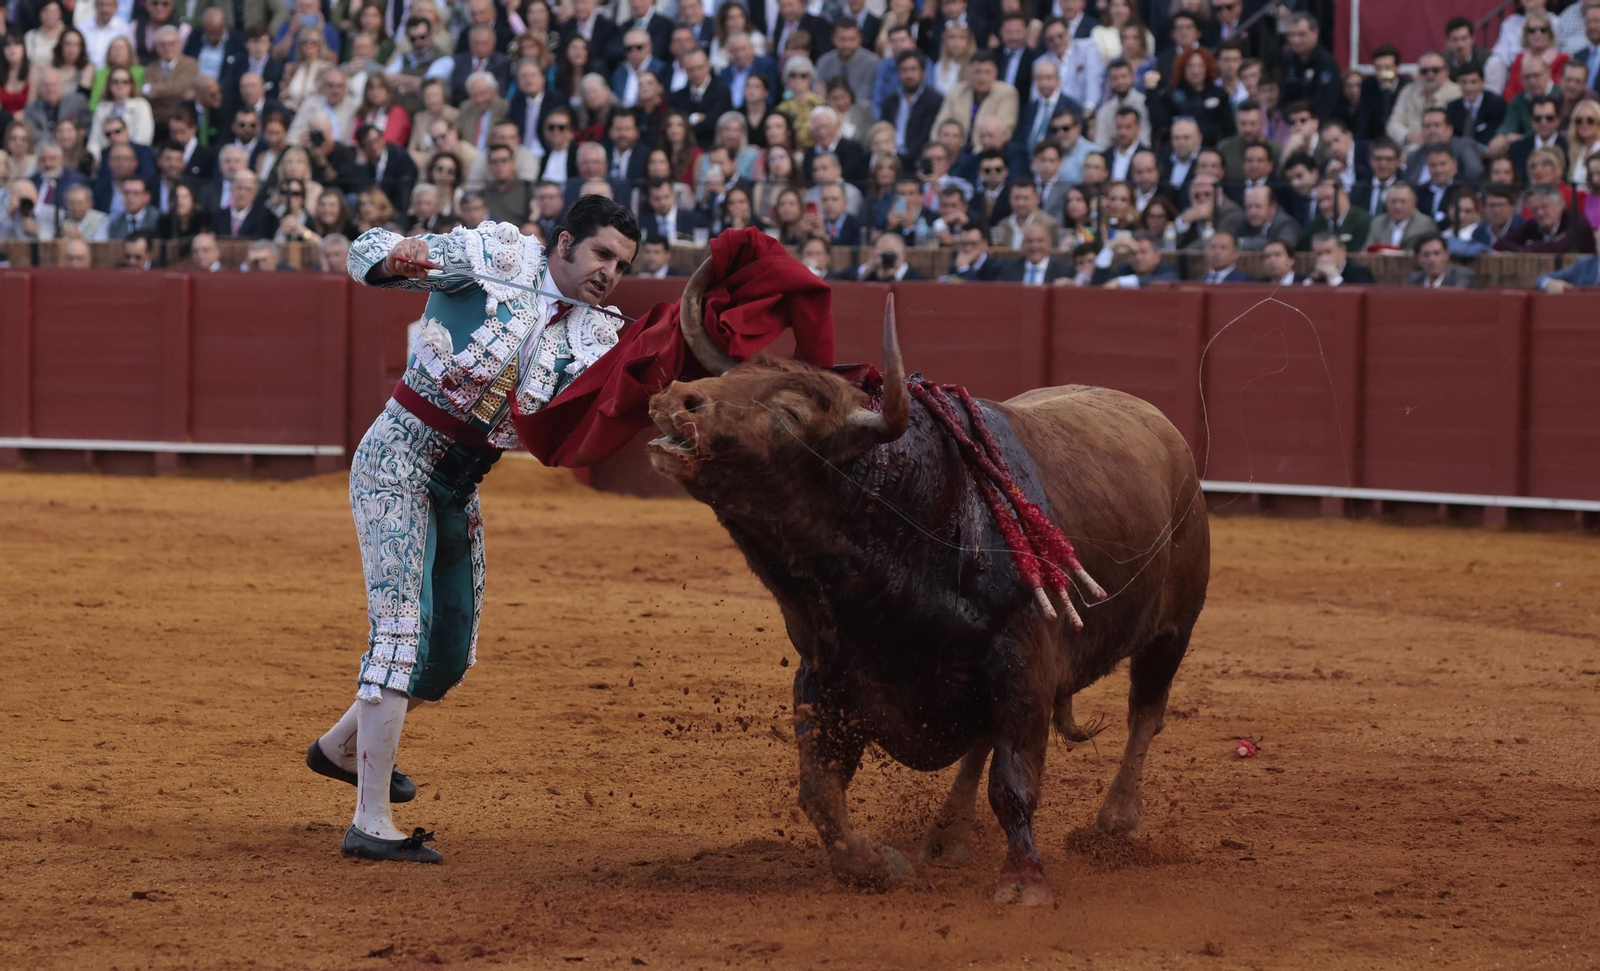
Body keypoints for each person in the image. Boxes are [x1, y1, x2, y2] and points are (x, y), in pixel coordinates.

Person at [312, 195, 642, 864]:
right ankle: (370, 822)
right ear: (564, 242)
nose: (611, 273)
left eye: (623, 265)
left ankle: (341, 748)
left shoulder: (602, 334)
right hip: (396, 460)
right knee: (401, 634)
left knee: (447, 656)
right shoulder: (496, 258)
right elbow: (364, 253)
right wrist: (399, 258)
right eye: (602, 254)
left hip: (458, 486)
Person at [1495, 182, 1597, 252]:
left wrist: (1530, 246)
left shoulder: (1577, 222)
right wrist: (1525, 249)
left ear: (1560, 203)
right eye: (1535, 209)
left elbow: (1561, 247)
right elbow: (1501, 243)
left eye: (1545, 207)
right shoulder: (1533, 225)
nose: (1540, 213)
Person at [1364, 182, 1439, 253]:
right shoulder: (1377, 223)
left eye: (1403, 202)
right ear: (1386, 202)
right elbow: (1367, 252)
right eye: (1393, 201)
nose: (1397, 207)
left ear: (1414, 202)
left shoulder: (1425, 225)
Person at [1100, 230, 1176, 288]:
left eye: (1143, 252)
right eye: (1133, 253)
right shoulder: (1124, 269)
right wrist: (1111, 246)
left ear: (1158, 255)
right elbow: (1099, 281)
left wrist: (1120, 281)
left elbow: (1163, 281)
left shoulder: (1170, 269)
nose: (1138, 257)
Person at [1000, 221, 1069, 283]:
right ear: (1022, 244)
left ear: (1049, 243)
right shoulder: (1009, 269)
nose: (1034, 246)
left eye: (1040, 241)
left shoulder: (1064, 270)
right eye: (1029, 241)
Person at [1302, 231, 1376, 286]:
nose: (1324, 258)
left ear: (1342, 250)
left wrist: (1333, 276)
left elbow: (1353, 298)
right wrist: (1313, 279)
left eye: (1328, 252)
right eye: (1319, 254)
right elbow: (1300, 294)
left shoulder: (1360, 273)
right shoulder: (1312, 273)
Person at [1407, 233, 1475, 288]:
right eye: (1426, 255)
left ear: (1447, 255)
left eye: (1437, 253)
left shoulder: (1460, 276)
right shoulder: (1414, 280)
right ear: (1418, 258)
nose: (1432, 259)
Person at [851, 229, 923, 279]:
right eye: (884, 254)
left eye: (892, 254)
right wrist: (866, 271)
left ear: (903, 253)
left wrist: (892, 277)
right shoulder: (871, 276)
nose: (888, 259)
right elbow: (846, 280)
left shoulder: (916, 279)